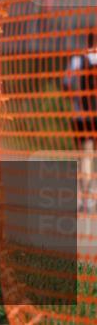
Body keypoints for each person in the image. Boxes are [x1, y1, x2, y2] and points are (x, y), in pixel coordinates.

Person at [64, 32, 97, 211]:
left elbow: (65, 84)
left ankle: (85, 200)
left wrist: (76, 100)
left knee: (85, 155)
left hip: (82, 115)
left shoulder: (77, 60)